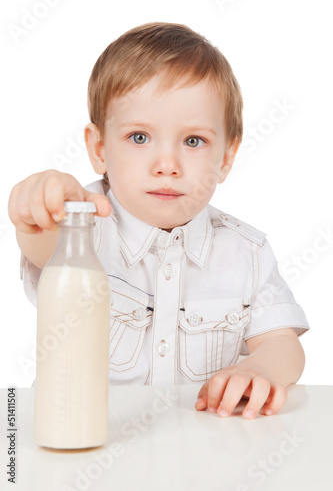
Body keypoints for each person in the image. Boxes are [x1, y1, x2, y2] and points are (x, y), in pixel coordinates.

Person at [8, 22, 310, 419]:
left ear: (225, 158)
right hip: (85, 443)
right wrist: (40, 208)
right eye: (139, 137)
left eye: (193, 141)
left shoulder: (246, 252)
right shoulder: (83, 227)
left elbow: (280, 340)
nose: (167, 165)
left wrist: (261, 368)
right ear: (99, 149)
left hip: (198, 452)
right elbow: (45, 247)